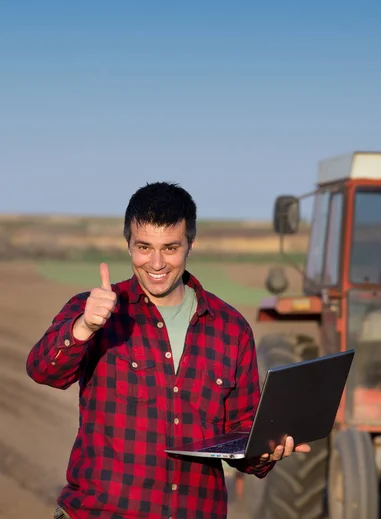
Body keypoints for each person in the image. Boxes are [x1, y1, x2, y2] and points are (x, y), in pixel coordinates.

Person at [26, 182, 310, 519]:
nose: (156, 263)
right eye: (144, 247)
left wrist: (268, 450)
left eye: (170, 247)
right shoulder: (97, 311)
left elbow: (241, 432)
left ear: (191, 244)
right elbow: (43, 370)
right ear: (128, 244)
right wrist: (85, 327)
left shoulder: (231, 329)